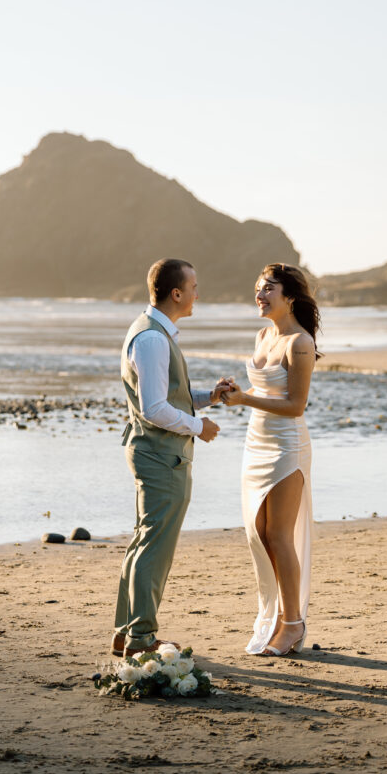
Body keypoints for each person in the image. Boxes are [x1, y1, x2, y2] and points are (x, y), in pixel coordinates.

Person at [111, 258, 231, 658]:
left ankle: (126, 632)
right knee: (154, 547)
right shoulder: (152, 339)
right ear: (176, 293)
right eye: (194, 286)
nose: (199, 293)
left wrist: (208, 398)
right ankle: (141, 638)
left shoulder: (153, 332)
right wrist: (200, 427)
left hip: (155, 453)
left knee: (144, 541)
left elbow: (167, 397)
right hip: (160, 456)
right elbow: (154, 409)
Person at [222, 263, 319, 656]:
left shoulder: (300, 343)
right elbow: (262, 388)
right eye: (258, 289)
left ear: (290, 296)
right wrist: (233, 392)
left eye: (268, 290)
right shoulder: (263, 335)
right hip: (255, 441)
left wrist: (245, 399)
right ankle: (278, 615)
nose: (259, 296)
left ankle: (292, 623)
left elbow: (295, 406)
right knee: (259, 533)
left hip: (286, 446)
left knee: (279, 534)